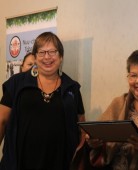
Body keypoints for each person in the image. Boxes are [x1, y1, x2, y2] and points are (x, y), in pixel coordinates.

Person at [0, 32, 85, 170]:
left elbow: (81, 126)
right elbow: (1, 121)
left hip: (60, 163)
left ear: (61, 56)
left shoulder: (72, 88)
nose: (47, 57)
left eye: (52, 52)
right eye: (42, 52)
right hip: (20, 163)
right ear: (35, 57)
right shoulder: (17, 83)